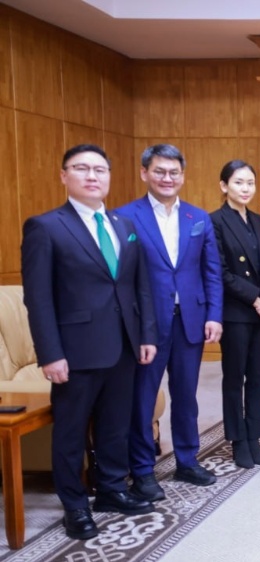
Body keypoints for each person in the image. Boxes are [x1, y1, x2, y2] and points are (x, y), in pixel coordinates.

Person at [22, 144, 157, 540]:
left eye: (100, 169)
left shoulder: (123, 224)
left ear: (109, 176)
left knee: (116, 425)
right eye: (82, 168)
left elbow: (138, 285)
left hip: (124, 345)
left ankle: (112, 489)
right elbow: (38, 298)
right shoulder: (46, 227)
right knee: (70, 431)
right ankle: (75, 505)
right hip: (76, 350)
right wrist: (50, 354)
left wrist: (145, 334)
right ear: (64, 176)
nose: (92, 176)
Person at [116, 143, 224, 500]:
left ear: (182, 176)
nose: (167, 178)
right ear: (144, 173)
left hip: (190, 320)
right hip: (146, 325)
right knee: (143, 398)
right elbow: (123, 278)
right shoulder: (125, 217)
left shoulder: (198, 218)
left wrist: (214, 315)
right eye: (159, 171)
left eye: (173, 172)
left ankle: (187, 460)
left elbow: (211, 272)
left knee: (186, 395)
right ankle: (142, 470)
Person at [210, 160, 260, 468]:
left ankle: (254, 436)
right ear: (224, 186)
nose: (246, 188)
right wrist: (255, 299)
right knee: (234, 377)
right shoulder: (215, 221)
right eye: (239, 182)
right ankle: (238, 440)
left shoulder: (259, 221)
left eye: (250, 183)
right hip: (237, 311)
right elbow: (221, 271)